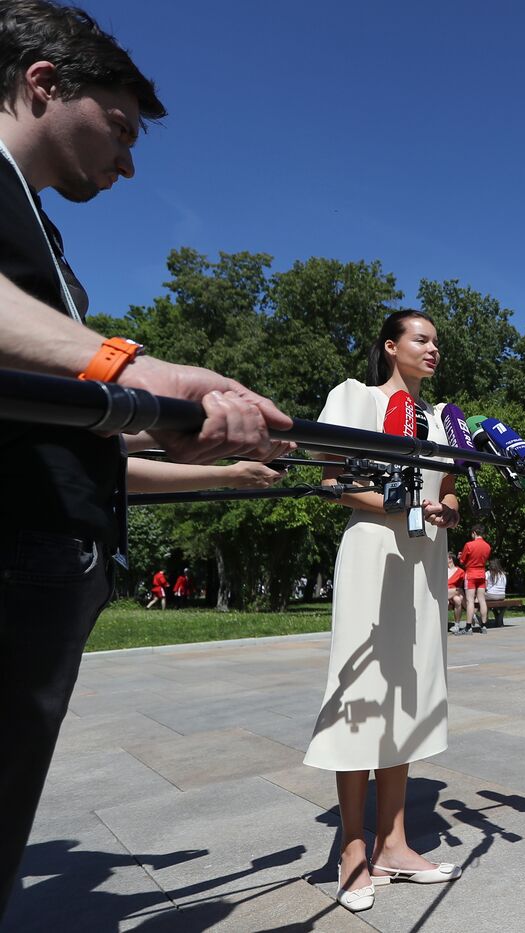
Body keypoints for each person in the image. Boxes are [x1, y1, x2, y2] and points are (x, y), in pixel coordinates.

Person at [0, 4, 291, 919]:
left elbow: (71, 434)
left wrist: (191, 443)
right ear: (45, 83)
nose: (127, 162)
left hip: (48, 567)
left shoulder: (37, 227)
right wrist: (148, 374)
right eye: (119, 129)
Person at [305, 309, 462, 912]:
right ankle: (351, 846)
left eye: (436, 343)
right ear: (391, 346)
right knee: (362, 689)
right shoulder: (356, 399)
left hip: (423, 561)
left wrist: (444, 506)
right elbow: (331, 476)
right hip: (374, 547)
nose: (432, 349)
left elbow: (446, 487)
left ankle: (394, 842)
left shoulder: (440, 420)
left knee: (408, 691)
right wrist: (400, 508)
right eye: (421, 339)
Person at [458, 526, 491, 634]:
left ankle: (468, 627)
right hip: (482, 574)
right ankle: (484, 626)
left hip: (471, 574)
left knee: (470, 600)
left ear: (474, 533)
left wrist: (460, 557)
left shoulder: (469, 545)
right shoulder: (487, 546)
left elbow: (462, 561)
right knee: (482, 600)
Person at [446, 554, 467, 634]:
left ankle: (457, 625)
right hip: (447, 591)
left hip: (453, 593)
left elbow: (462, 584)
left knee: (458, 600)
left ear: (450, 559)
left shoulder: (460, 571)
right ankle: (471, 613)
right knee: (458, 591)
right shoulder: (443, 569)